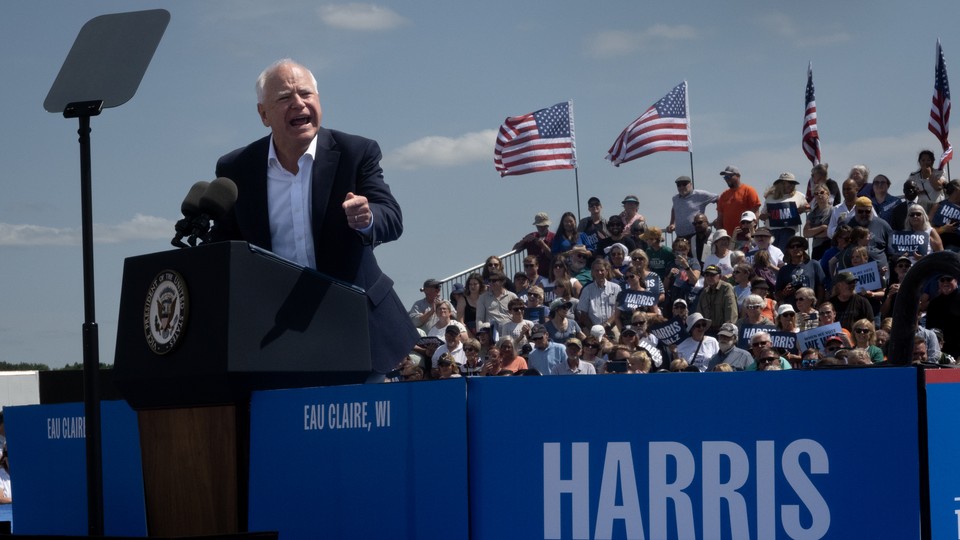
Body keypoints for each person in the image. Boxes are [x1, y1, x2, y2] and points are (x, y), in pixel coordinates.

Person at [210, 59, 416, 373]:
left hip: (356, 325)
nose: (299, 104)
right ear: (263, 114)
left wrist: (367, 216)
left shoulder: (355, 152)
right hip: (276, 331)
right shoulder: (236, 169)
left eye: (306, 94)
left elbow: (390, 216)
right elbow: (226, 246)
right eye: (284, 98)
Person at [761, 172, 810, 250]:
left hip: (788, 230)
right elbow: (762, 216)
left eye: (793, 183)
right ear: (781, 184)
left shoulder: (799, 195)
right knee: (771, 252)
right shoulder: (770, 197)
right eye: (789, 183)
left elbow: (808, 207)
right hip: (772, 231)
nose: (791, 185)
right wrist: (766, 216)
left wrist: (801, 209)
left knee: (782, 251)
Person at [775, 236, 826, 308]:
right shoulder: (783, 270)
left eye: (798, 246)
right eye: (792, 247)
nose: (795, 248)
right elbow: (777, 294)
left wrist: (818, 305)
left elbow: (821, 287)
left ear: (803, 248)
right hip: (791, 311)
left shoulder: (814, 264)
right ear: (788, 250)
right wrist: (784, 293)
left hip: (811, 308)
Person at [716, 166, 762, 238]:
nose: (727, 179)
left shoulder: (749, 190)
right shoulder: (723, 195)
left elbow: (755, 213)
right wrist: (721, 235)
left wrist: (752, 233)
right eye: (725, 177)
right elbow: (720, 218)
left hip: (746, 237)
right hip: (728, 238)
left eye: (729, 176)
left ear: (738, 176)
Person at [576, 259, 621, 330]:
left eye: (602, 270)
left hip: (611, 326)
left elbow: (618, 311)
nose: (599, 273)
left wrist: (607, 324)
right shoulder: (587, 289)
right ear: (592, 272)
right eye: (597, 271)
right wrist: (594, 329)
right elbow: (583, 313)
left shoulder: (616, 288)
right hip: (592, 327)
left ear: (607, 271)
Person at [667, 175, 717, 240]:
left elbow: (718, 198)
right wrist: (672, 223)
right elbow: (674, 208)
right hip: (680, 237)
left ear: (690, 184)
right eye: (679, 185)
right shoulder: (675, 198)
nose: (681, 187)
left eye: (684, 184)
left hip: (696, 235)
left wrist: (719, 218)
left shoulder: (700, 194)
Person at [926, 274, 960, 358]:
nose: (945, 282)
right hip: (941, 350)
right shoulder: (934, 303)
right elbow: (930, 328)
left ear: (956, 281)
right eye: (942, 280)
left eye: (949, 279)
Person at [696, 265, 738, 334]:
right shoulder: (704, 292)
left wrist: (727, 332)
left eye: (712, 275)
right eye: (707, 275)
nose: (709, 277)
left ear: (720, 276)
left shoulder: (726, 288)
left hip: (723, 331)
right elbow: (699, 314)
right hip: (707, 331)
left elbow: (731, 313)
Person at [803, 183, 834, 260]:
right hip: (816, 247)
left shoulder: (833, 211)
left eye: (822, 192)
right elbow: (806, 233)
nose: (819, 195)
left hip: (830, 245)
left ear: (828, 194)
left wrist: (814, 234)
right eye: (816, 193)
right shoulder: (812, 214)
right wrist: (822, 227)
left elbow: (830, 231)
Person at [931, 180, 960, 252]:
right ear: (957, 190)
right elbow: (927, 230)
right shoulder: (938, 206)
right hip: (943, 245)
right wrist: (943, 229)